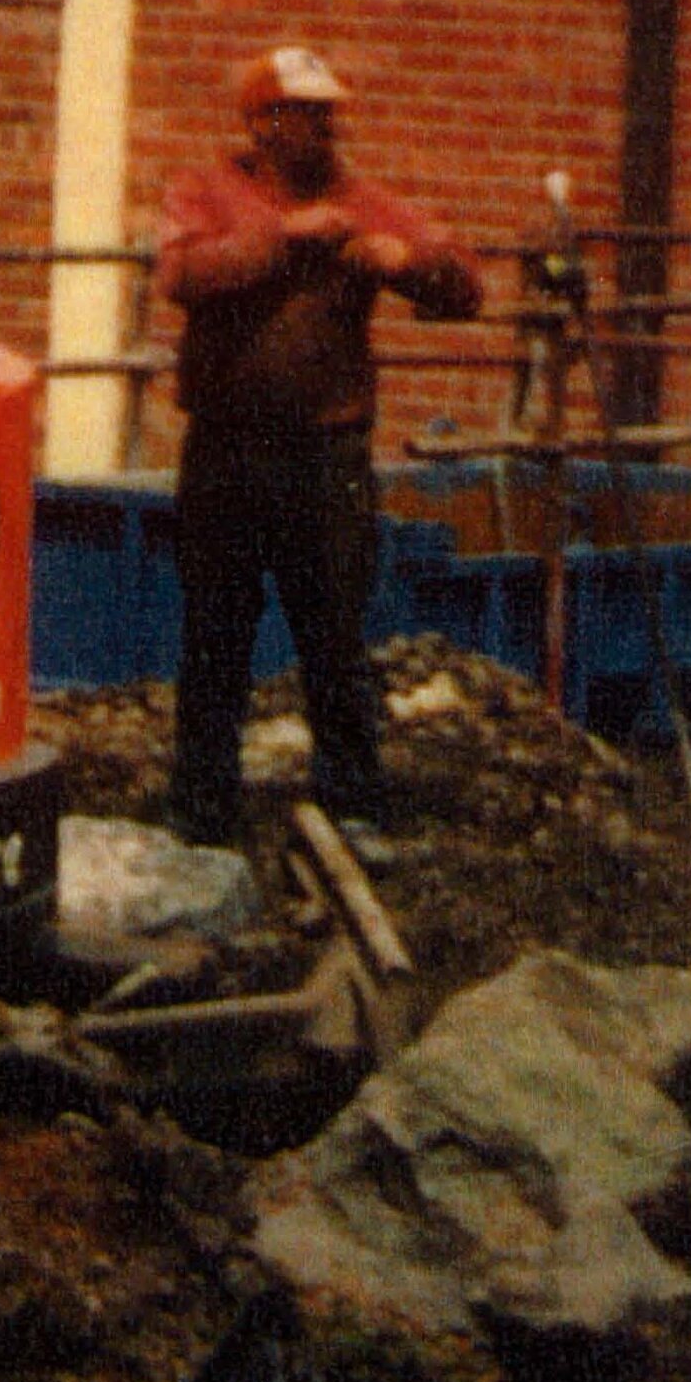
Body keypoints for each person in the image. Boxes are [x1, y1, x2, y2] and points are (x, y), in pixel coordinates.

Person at [155, 43, 481, 843]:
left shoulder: (362, 201)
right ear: (263, 121)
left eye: (329, 112)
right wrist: (286, 235)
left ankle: (354, 800)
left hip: (326, 456)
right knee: (215, 635)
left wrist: (407, 261)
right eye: (309, 113)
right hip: (226, 450)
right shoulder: (206, 192)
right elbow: (183, 275)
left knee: (334, 634)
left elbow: (464, 286)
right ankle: (202, 807)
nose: (328, 126)